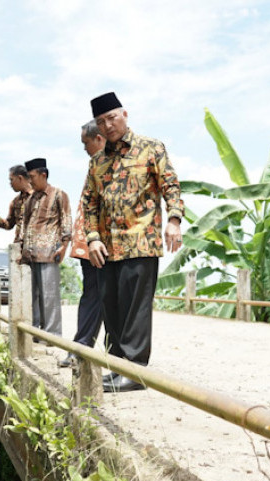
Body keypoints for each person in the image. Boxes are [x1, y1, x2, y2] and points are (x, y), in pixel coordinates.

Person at [82, 92, 184, 392]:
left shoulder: (151, 148)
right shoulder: (97, 162)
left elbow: (171, 185)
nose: (108, 125)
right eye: (101, 121)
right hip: (107, 248)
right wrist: (92, 239)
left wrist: (174, 220)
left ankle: (135, 371)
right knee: (111, 308)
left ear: (124, 115)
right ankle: (117, 366)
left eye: (112, 117)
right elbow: (88, 204)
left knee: (135, 308)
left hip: (141, 241)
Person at [59, 120, 107, 368]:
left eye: (85, 143)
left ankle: (89, 351)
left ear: (98, 139)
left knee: (103, 298)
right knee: (93, 296)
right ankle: (81, 348)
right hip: (91, 243)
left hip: (108, 243)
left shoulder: (114, 162)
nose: (84, 148)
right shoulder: (95, 165)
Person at [21, 158, 72, 337]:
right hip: (30, 254)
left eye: (32, 177)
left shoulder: (59, 194)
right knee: (32, 297)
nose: (30, 181)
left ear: (43, 175)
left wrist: (64, 246)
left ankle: (52, 336)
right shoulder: (30, 200)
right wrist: (22, 250)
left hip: (50, 253)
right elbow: (24, 226)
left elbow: (66, 220)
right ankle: (35, 333)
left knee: (49, 296)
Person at [0, 164, 33, 243]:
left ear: (20, 178)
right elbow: (8, 225)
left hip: (38, 248)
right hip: (18, 248)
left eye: (11, 180)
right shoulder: (15, 202)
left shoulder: (41, 198)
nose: (10, 184)